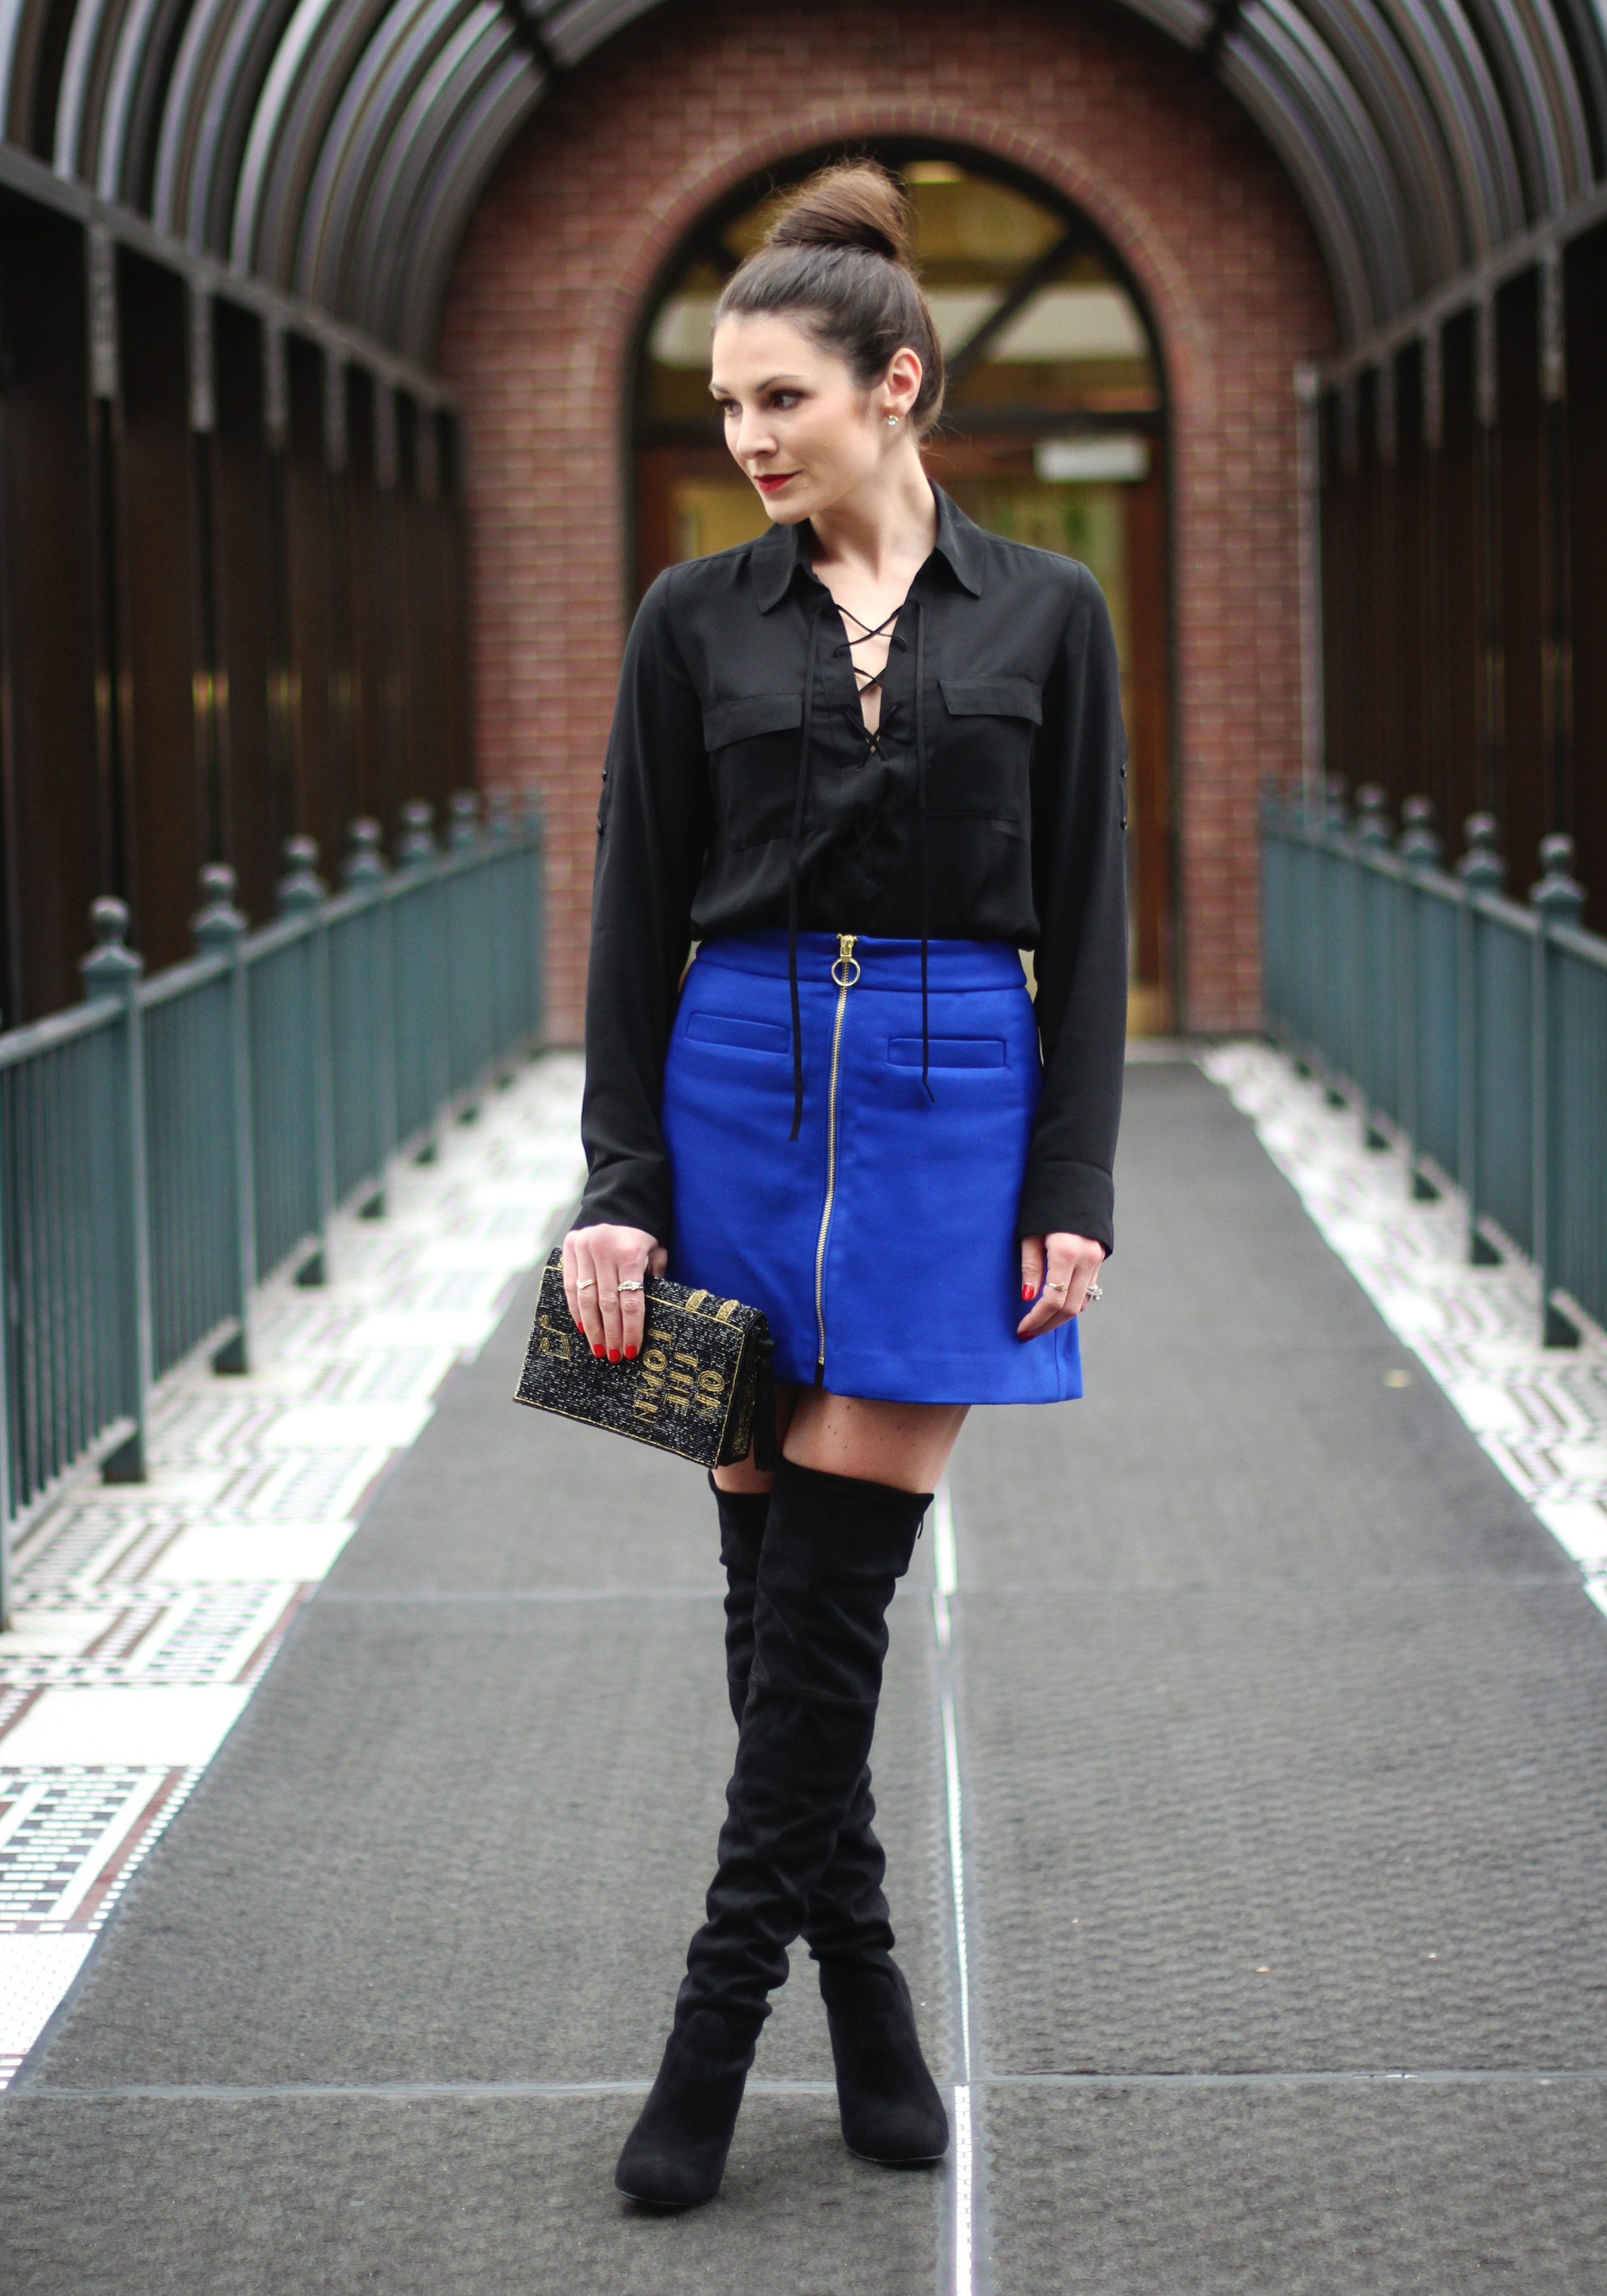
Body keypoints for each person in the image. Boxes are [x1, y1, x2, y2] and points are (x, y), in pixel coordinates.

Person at [564, 160, 1127, 2209]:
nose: (744, 438)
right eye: (725, 407)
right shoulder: (685, 618)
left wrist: (1072, 1182)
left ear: (894, 384)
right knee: (767, 1600)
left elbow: (1090, 908)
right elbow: (633, 915)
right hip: (720, 1099)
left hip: (951, 1103)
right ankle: (874, 2011)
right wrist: (613, 1186)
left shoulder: (1051, 614)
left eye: (778, 399)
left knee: (825, 1602)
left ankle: (708, 2042)